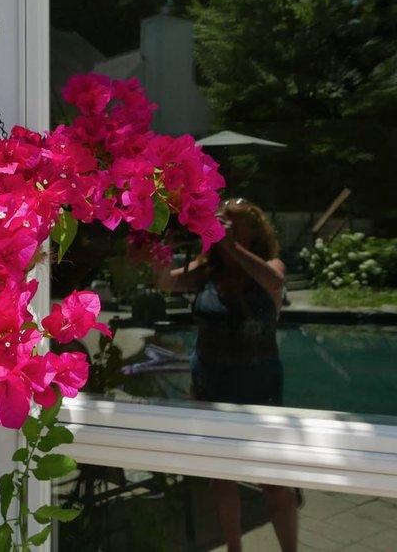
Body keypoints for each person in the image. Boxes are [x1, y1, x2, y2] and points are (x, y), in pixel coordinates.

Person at [157, 197, 298, 552]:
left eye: (234, 221)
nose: (226, 224)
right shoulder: (206, 271)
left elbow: (275, 282)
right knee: (221, 477)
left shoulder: (270, 265)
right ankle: (234, 548)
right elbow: (166, 283)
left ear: (255, 229)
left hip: (258, 386)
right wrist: (158, 252)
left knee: (274, 480)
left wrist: (231, 247)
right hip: (210, 383)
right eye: (222, 219)